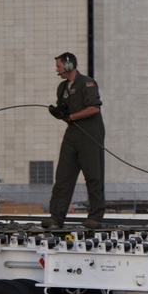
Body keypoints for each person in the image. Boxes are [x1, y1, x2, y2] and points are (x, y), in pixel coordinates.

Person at [43, 52, 105, 230]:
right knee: (63, 175)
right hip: (73, 134)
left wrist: (71, 117)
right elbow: (66, 114)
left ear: (69, 66)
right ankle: (56, 216)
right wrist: (59, 115)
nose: (57, 69)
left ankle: (95, 216)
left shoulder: (87, 83)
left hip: (90, 134)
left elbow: (94, 108)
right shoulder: (62, 88)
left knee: (94, 175)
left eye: (59, 66)